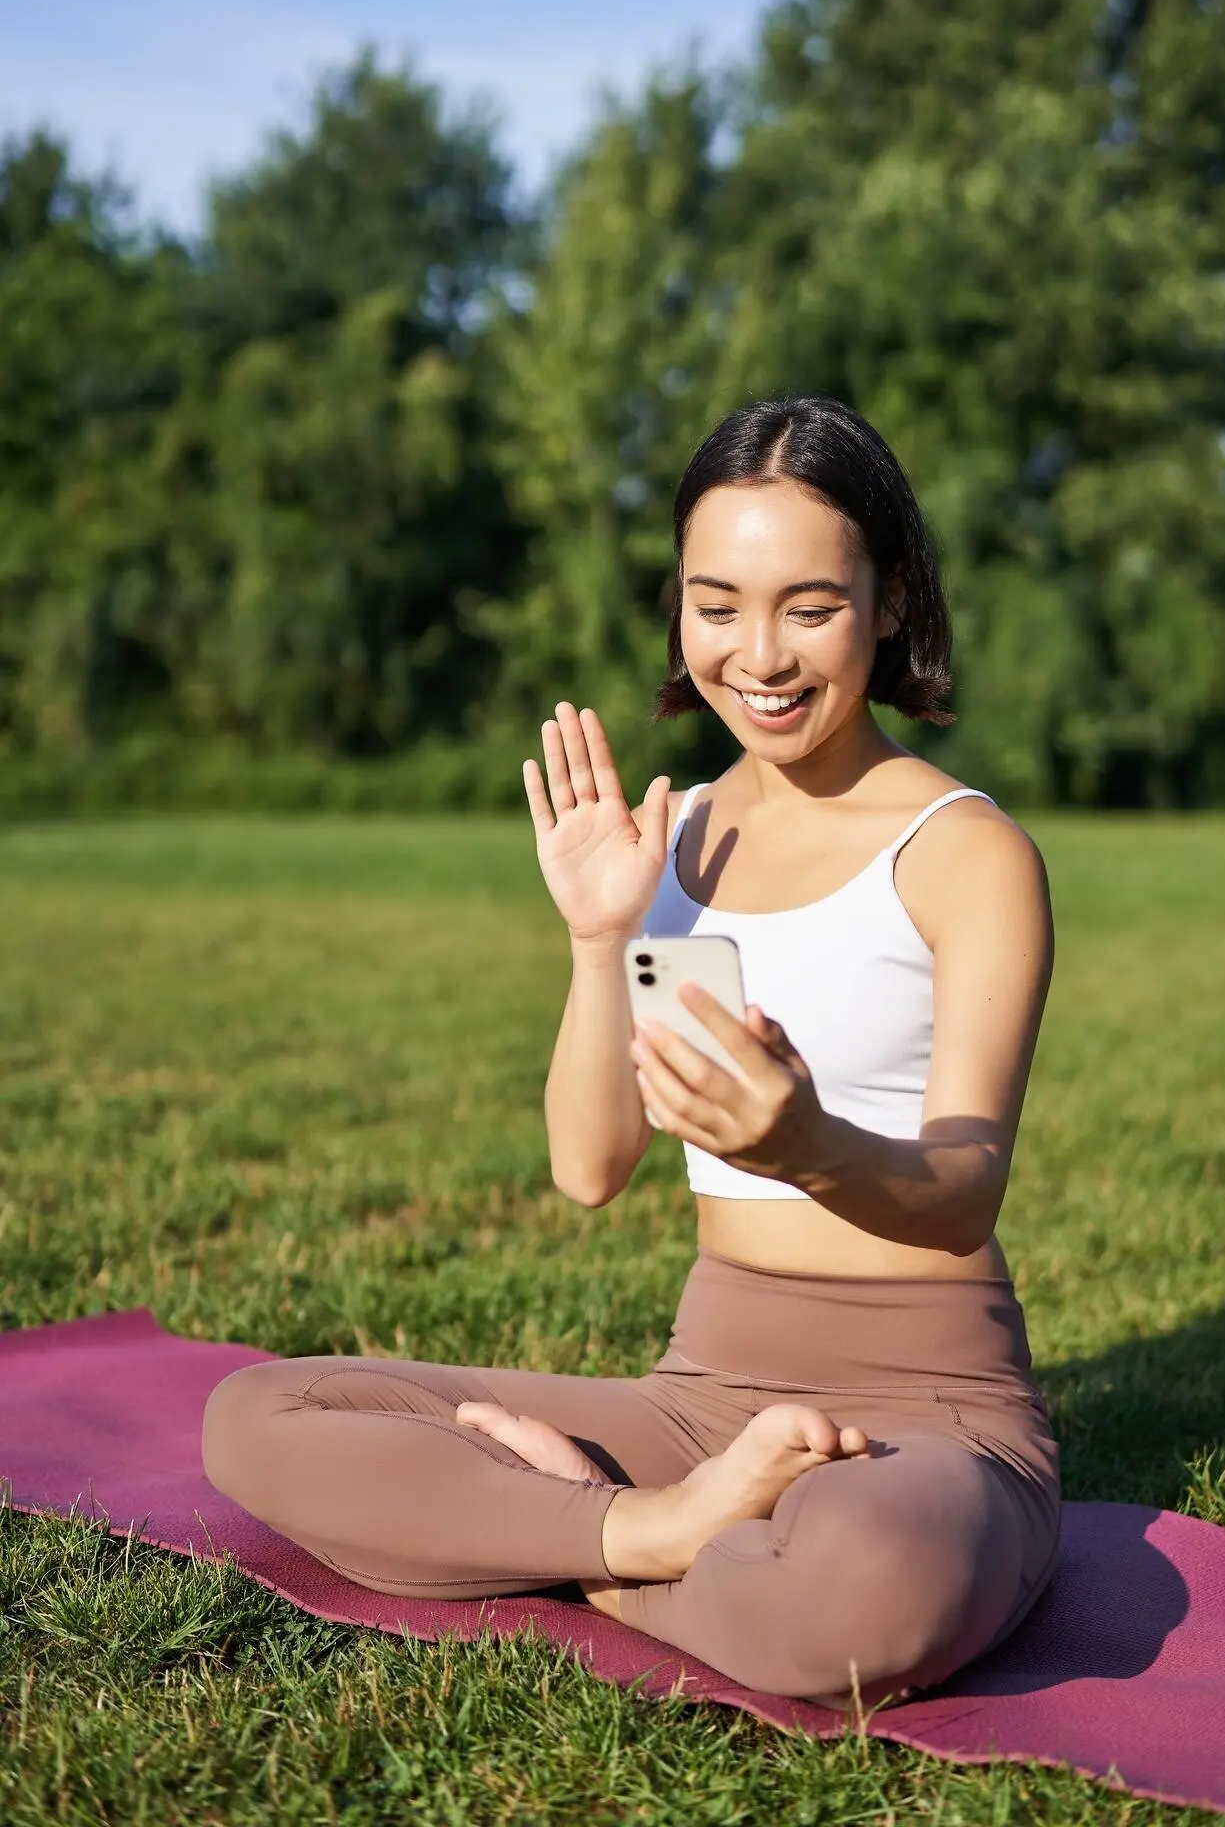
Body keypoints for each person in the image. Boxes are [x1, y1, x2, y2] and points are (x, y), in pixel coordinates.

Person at [202, 395, 1060, 1706]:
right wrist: (601, 939)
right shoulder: (680, 839)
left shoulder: (964, 853)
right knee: (256, 1419)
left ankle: (591, 1543)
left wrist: (806, 1145)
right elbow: (592, 1170)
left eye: (810, 607)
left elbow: (966, 1191)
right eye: (717, 606)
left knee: (868, 1588)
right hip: (708, 1386)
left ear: (892, 603)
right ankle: (660, 1528)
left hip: (930, 1409)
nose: (757, 655)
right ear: (680, 609)